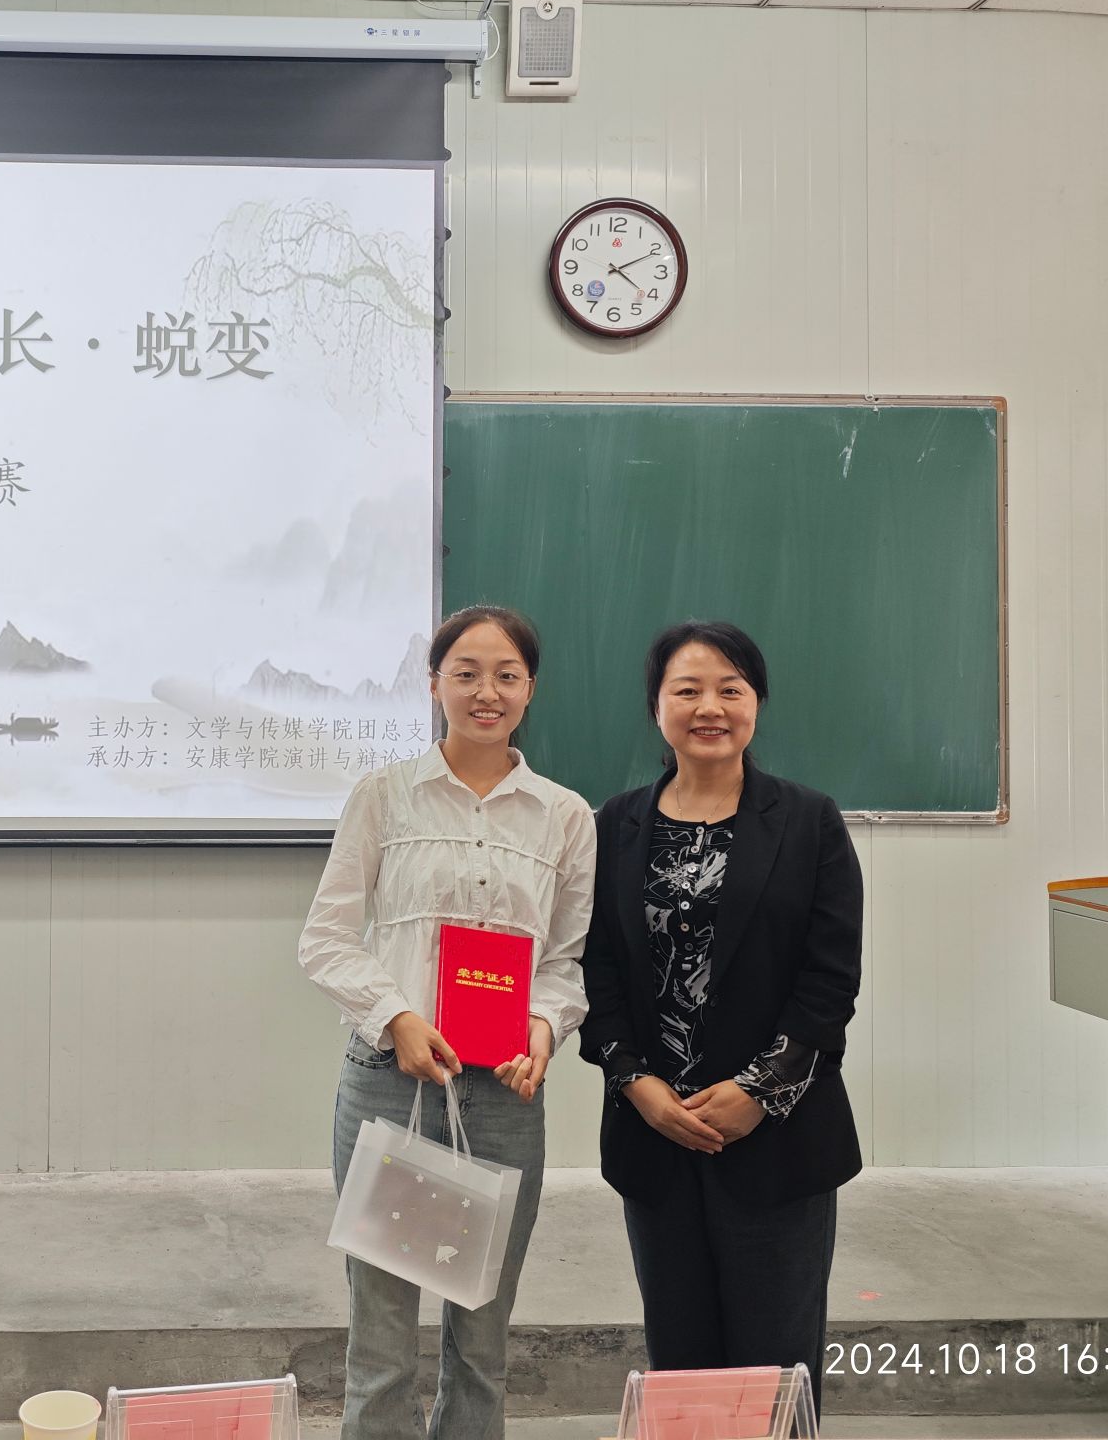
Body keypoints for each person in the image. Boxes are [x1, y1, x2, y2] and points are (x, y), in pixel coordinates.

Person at [299, 605, 595, 1440]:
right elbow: (325, 939)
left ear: (530, 690)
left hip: (503, 1094)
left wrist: (543, 1030)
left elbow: (567, 962)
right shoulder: (383, 796)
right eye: (465, 673)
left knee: (482, 1341)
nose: (485, 692)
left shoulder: (566, 816)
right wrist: (395, 1016)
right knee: (381, 1340)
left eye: (506, 675)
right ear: (434, 685)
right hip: (389, 1085)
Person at [579, 621, 863, 1413]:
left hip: (777, 1143)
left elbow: (830, 983)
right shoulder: (614, 826)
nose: (710, 707)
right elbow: (595, 970)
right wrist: (635, 1082)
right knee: (682, 1364)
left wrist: (757, 1093)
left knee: (775, 1368)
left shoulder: (809, 822)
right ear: (657, 707)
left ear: (756, 703)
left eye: (729, 689)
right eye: (688, 690)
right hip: (655, 1139)